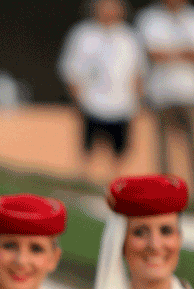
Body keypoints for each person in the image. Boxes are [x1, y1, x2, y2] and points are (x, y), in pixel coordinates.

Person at [134, 0, 194, 204]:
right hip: (160, 94)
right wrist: (185, 52)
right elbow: (147, 54)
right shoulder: (149, 18)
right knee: (162, 149)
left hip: (192, 94)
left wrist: (170, 53)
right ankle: (164, 193)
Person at [59, 0, 146, 176]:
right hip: (91, 105)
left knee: (119, 156)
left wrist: (137, 103)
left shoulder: (130, 37)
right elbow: (70, 70)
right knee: (87, 153)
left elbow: (139, 73)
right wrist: (78, 102)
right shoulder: (82, 34)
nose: (108, 11)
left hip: (122, 106)